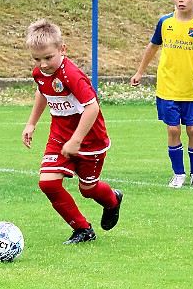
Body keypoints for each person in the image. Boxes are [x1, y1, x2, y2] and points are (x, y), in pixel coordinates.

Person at [22, 19, 122, 245]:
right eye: (37, 59)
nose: (43, 64)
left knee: (88, 189)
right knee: (48, 183)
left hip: (89, 140)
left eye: (48, 57)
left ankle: (112, 201)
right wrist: (31, 123)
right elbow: (42, 92)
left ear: (62, 49)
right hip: (59, 135)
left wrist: (76, 140)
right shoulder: (40, 73)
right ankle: (83, 228)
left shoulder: (71, 75)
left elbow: (92, 107)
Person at [131, 0, 193, 188]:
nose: (180, 0)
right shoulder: (165, 22)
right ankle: (178, 174)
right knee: (173, 130)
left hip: (191, 89)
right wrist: (140, 72)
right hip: (167, 87)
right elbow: (152, 47)